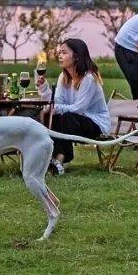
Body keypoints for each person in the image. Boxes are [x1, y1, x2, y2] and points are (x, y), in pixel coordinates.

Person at [36, 38, 110, 176]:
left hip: (95, 123)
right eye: (60, 52)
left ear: (76, 56)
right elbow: (56, 102)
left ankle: (60, 159)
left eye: (64, 52)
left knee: (66, 117)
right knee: (49, 115)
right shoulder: (63, 77)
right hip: (74, 121)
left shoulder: (89, 78)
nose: (60, 56)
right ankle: (51, 159)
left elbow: (79, 108)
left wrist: (56, 108)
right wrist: (44, 88)